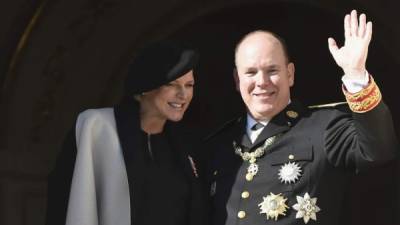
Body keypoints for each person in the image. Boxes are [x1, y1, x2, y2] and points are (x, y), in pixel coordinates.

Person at [205, 10, 398, 225]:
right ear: (237, 79)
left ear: (290, 74)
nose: (262, 81)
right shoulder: (220, 142)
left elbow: (378, 151)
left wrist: (355, 75)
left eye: (272, 70)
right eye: (250, 72)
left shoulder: (324, 127)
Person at [45, 41, 207, 225]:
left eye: (189, 85)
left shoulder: (187, 147)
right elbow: (62, 201)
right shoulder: (97, 128)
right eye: (172, 84)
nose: (183, 95)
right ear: (146, 86)